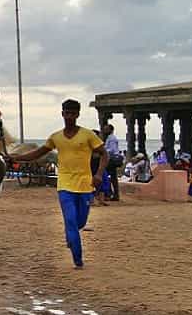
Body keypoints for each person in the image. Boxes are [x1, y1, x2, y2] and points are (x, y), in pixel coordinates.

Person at [10, 99, 108, 269]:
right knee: (70, 220)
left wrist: (99, 174)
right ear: (62, 114)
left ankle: (70, 235)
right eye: (66, 113)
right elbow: (37, 153)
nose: (69, 116)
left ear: (77, 115)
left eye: (72, 113)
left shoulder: (88, 135)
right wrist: (15, 158)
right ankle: (78, 260)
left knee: (80, 223)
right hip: (65, 185)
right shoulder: (56, 137)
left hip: (85, 185)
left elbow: (104, 154)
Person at [102, 124, 122, 201]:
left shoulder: (112, 139)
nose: (105, 131)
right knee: (112, 177)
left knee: (108, 176)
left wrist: (103, 151)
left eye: (106, 129)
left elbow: (112, 150)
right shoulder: (109, 138)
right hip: (111, 158)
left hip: (111, 159)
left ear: (111, 130)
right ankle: (113, 194)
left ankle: (111, 194)